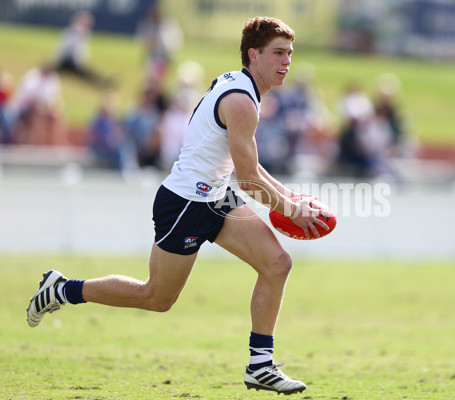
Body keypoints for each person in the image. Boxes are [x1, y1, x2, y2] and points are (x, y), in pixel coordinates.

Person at [26, 16, 329, 396]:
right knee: (156, 297)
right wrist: (290, 207)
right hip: (185, 203)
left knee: (277, 263)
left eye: (290, 53)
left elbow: (247, 168)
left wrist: (289, 199)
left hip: (214, 196)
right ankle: (63, 289)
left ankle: (260, 366)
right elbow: (250, 179)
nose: (286, 62)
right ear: (254, 55)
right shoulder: (241, 101)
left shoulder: (242, 88)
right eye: (278, 53)